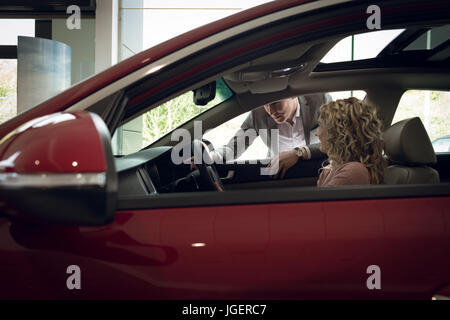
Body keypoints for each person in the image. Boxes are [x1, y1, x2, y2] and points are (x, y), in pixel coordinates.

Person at [213, 93, 332, 179]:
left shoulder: (320, 101)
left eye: (275, 103)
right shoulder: (258, 113)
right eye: (266, 105)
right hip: (277, 173)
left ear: (293, 95)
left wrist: (298, 153)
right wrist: (213, 156)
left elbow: (334, 141)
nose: (270, 110)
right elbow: (235, 146)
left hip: (314, 169)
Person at [315, 97, 386, 187]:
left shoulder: (353, 171)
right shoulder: (331, 168)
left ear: (337, 133)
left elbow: (323, 201)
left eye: (320, 126)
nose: (316, 133)